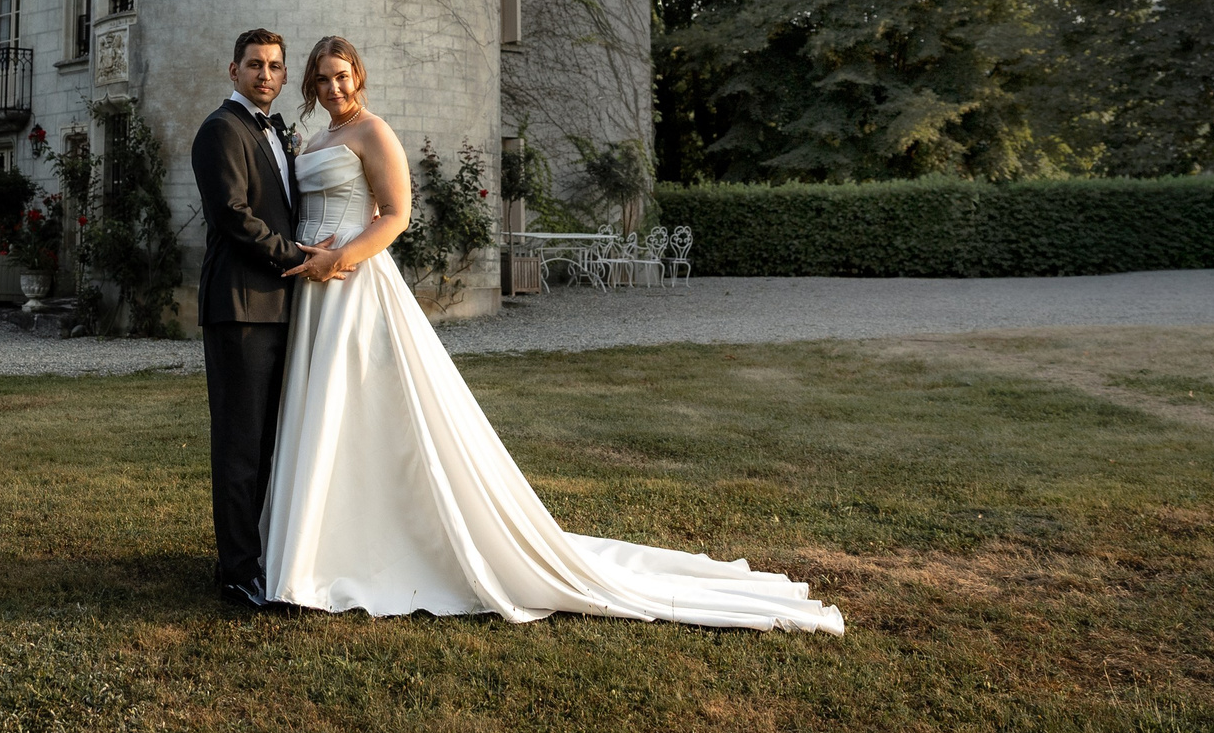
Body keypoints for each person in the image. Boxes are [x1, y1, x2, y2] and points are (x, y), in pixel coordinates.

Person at [259, 35, 846, 633]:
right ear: (311, 84)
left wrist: (341, 258)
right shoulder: (317, 139)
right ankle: (323, 542)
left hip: (353, 283)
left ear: (359, 76)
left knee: (355, 406)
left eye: (343, 76)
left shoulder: (373, 133)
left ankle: (363, 550)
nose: (334, 87)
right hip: (314, 288)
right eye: (323, 78)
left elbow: (396, 216)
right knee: (327, 411)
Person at [187, 27, 310, 611]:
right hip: (239, 307)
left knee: (270, 442)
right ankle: (237, 573)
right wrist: (299, 260)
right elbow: (233, 218)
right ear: (232, 71)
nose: (265, 75)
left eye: (275, 66)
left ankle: (261, 553)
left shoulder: (277, 132)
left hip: (281, 306)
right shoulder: (220, 130)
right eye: (255, 65)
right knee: (240, 444)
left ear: (285, 76)